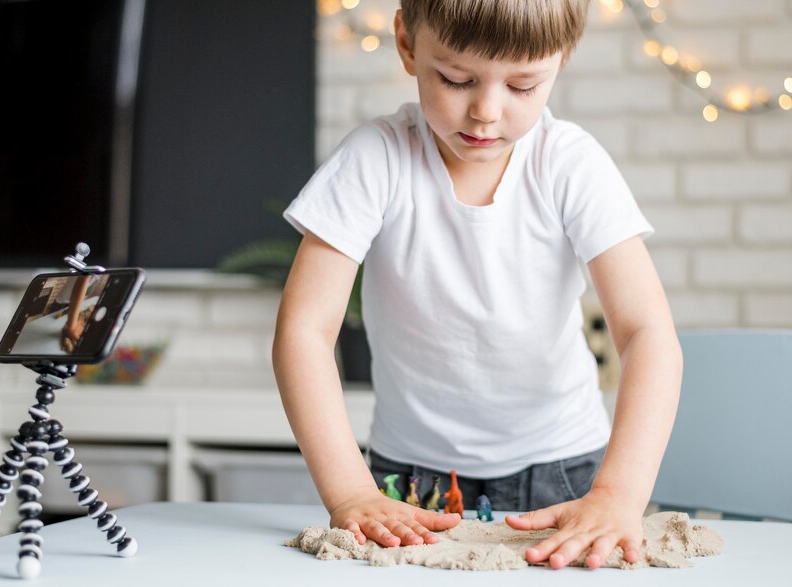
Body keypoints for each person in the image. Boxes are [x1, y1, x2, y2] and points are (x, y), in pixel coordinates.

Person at [273, 0, 682, 571]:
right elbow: (304, 332)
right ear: (409, 45)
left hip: (568, 472)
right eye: (457, 79)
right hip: (408, 484)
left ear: (560, 61)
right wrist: (349, 491)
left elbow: (648, 334)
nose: (486, 111)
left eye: (522, 85)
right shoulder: (376, 159)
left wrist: (618, 495)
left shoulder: (571, 165)